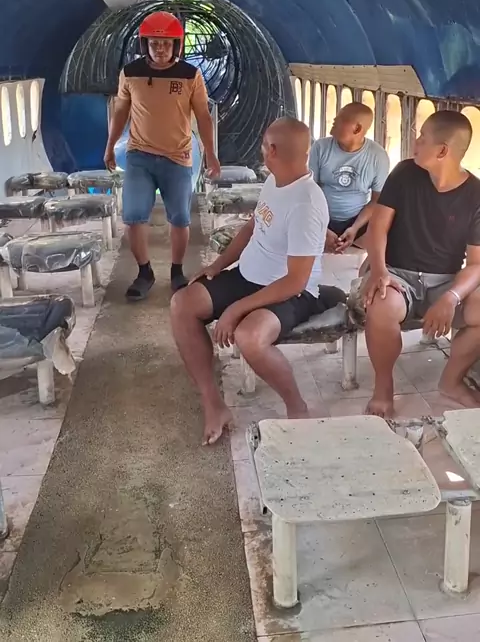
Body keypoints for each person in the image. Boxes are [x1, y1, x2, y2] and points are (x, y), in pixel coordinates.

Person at [171, 117, 329, 445]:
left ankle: (297, 407)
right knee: (182, 304)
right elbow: (252, 227)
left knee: (249, 337)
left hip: (291, 292)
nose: (261, 150)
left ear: (272, 150)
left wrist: (236, 309)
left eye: (263, 146)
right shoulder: (275, 181)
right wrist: (218, 265)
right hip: (248, 275)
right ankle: (213, 403)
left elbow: (296, 281)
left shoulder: (306, 204)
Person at [362, 110, 480, 418]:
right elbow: (377, 228)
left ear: (442, 151)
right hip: (396, 274)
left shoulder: (476, 194)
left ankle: (451, 382)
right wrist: (379, 271)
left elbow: (476, 264)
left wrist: (451, 297)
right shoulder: (404, 174)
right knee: (382, 304)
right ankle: (383, 388)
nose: (415, 143)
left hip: (444, 280)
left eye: (422, 138)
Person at [104, 11, 221, 298]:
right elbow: (121, 112)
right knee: (133, 217)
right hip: (139, 155)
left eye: (166, 44)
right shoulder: (130, 73)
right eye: (154, 43)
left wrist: (211, 153)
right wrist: (110, 146)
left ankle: (177, 271)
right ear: (144, 44)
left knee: (180, 218)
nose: (160, 49)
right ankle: (144, 272)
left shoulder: (190, 75)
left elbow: (203, 116)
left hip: (178, 157)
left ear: (176, 46)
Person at [309, 102, 389, 253]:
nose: (334, 120)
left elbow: (377, 200)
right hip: (320, 218)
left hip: (359, 221)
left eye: (341, 118)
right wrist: (323, 228)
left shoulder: (378, 156)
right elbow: (309, 192)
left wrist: (355, 228)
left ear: (357, 128)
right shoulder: (320, 148)